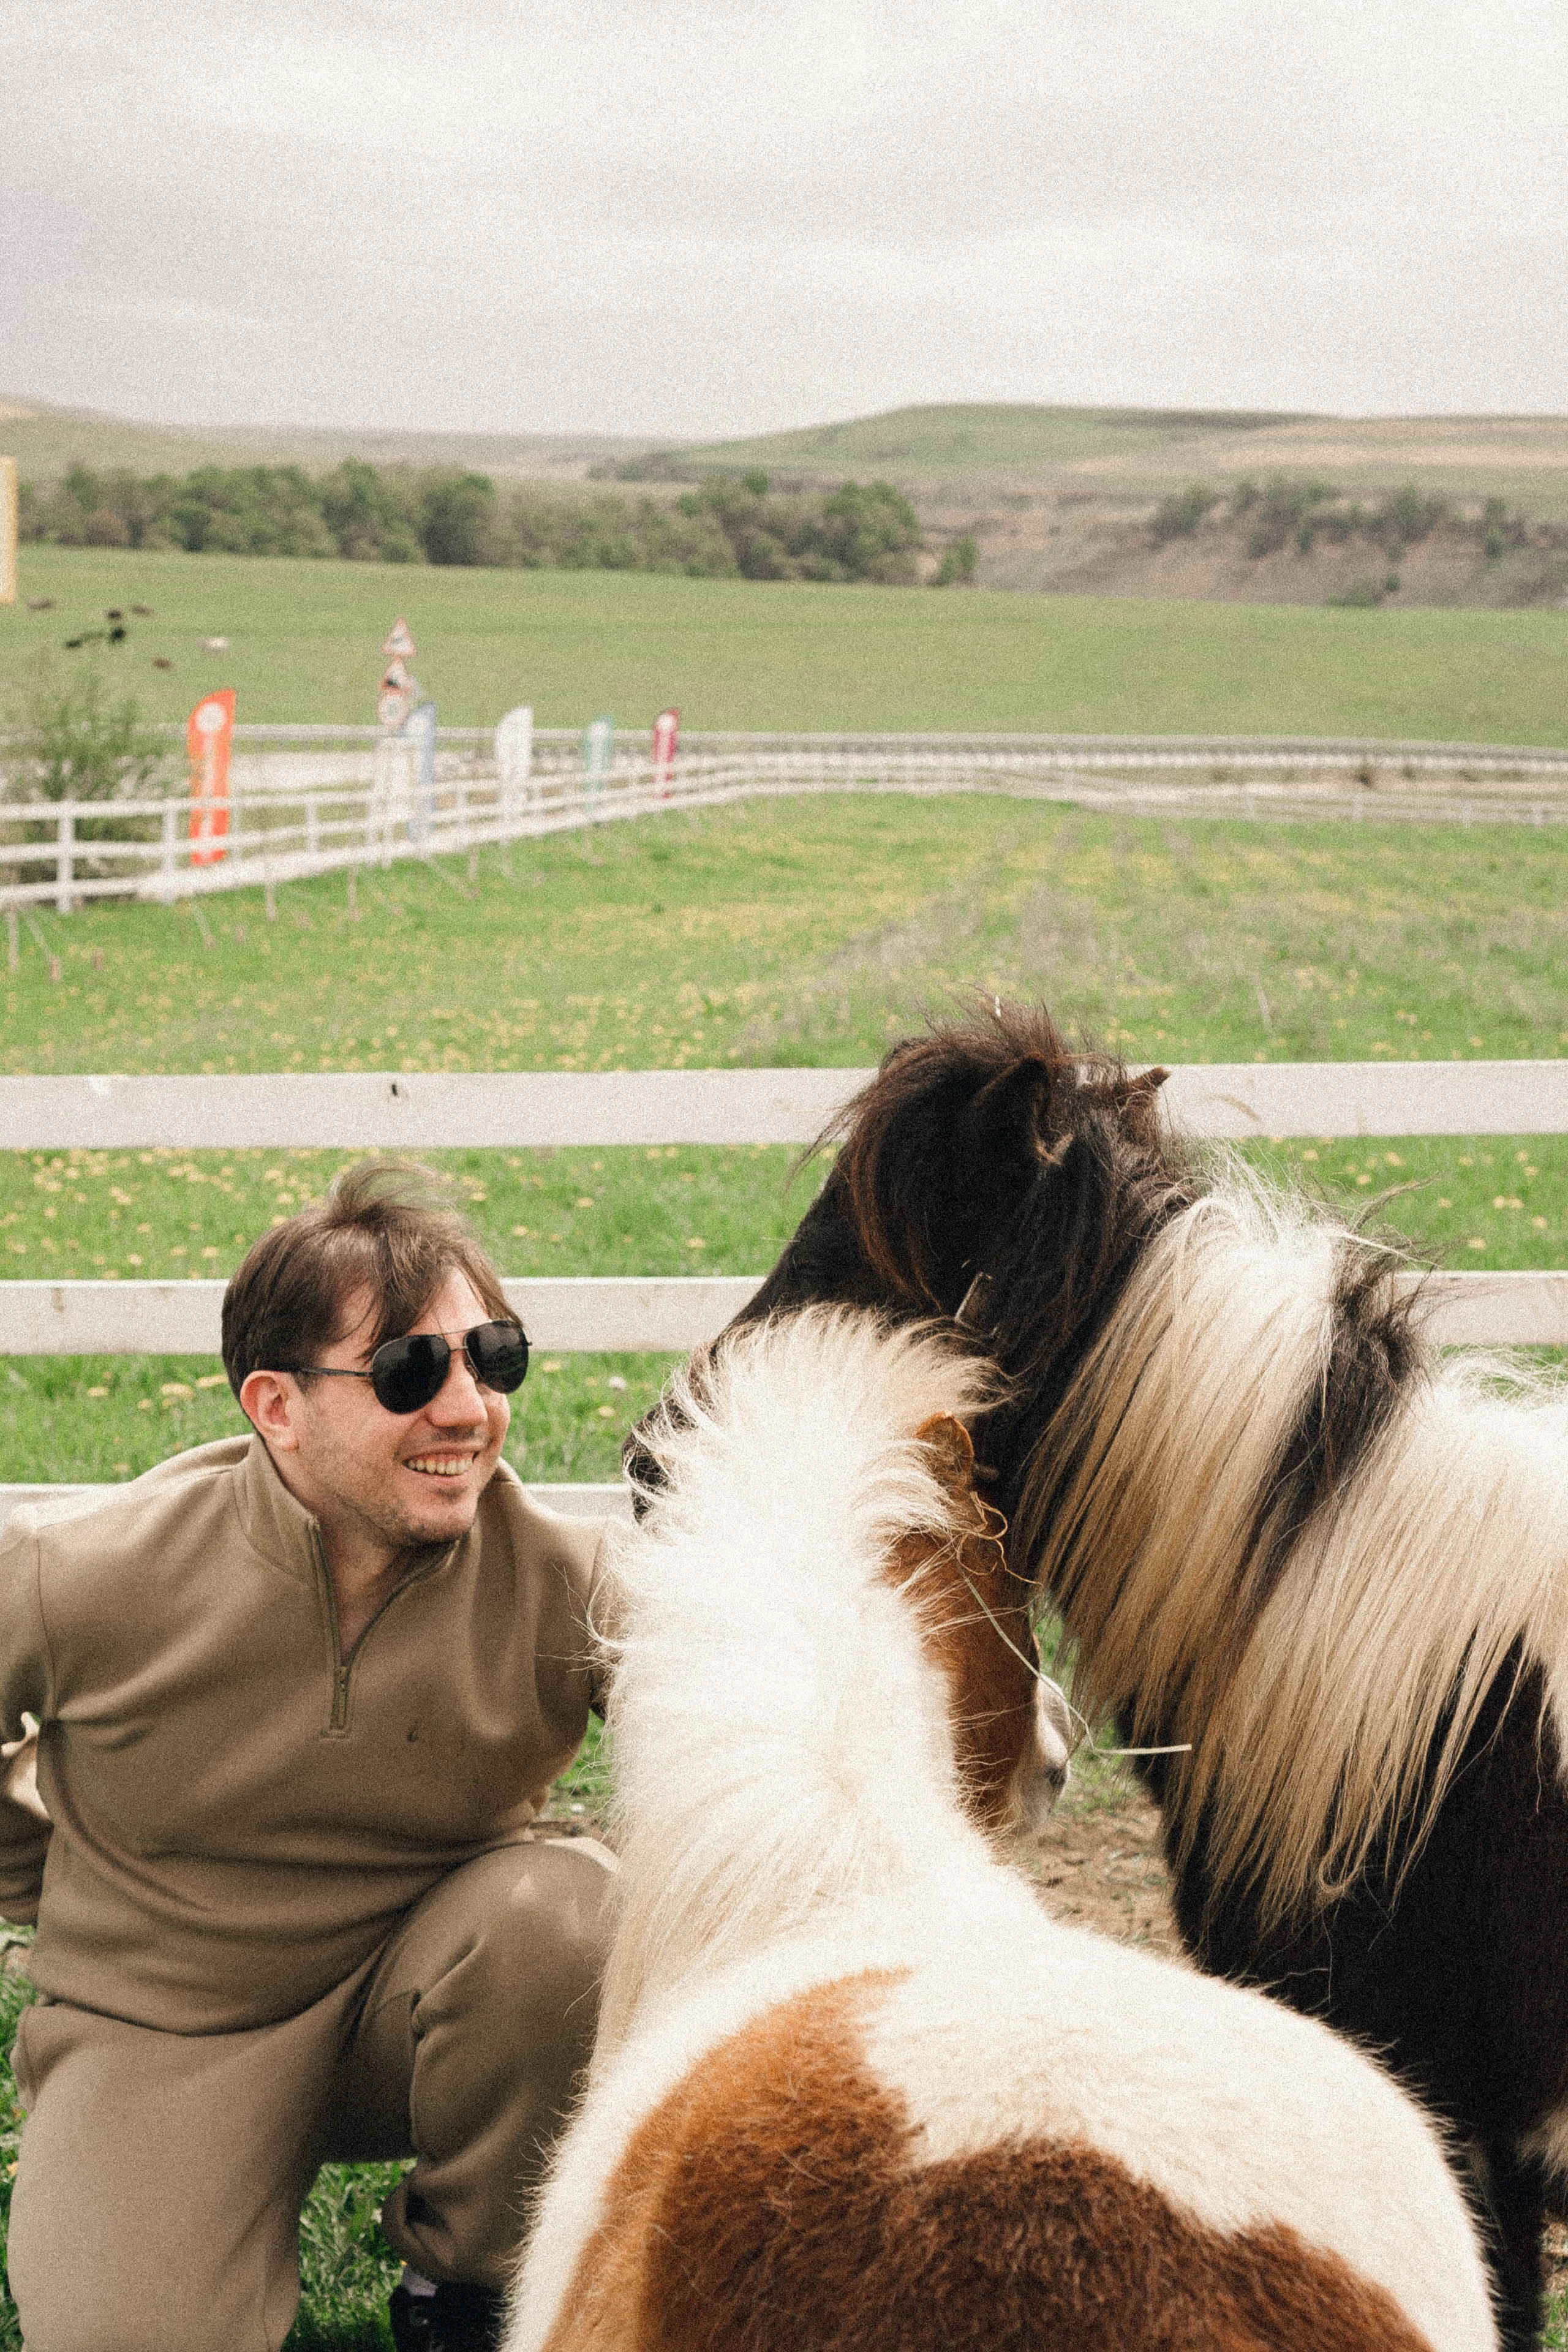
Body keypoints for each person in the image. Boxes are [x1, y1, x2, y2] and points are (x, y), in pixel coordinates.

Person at [0, 1163, 619, 2352]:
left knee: (570, 1919)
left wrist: (1000, 1704)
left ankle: (474, 2285)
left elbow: (778, 1670)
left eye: (493, 1359)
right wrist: (43, 1876)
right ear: (275, 1406)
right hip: (161, 2028)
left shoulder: (563, 1578)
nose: (466, 1409)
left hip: (429, 2005)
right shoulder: (83, 1572)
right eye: (407, 1371)